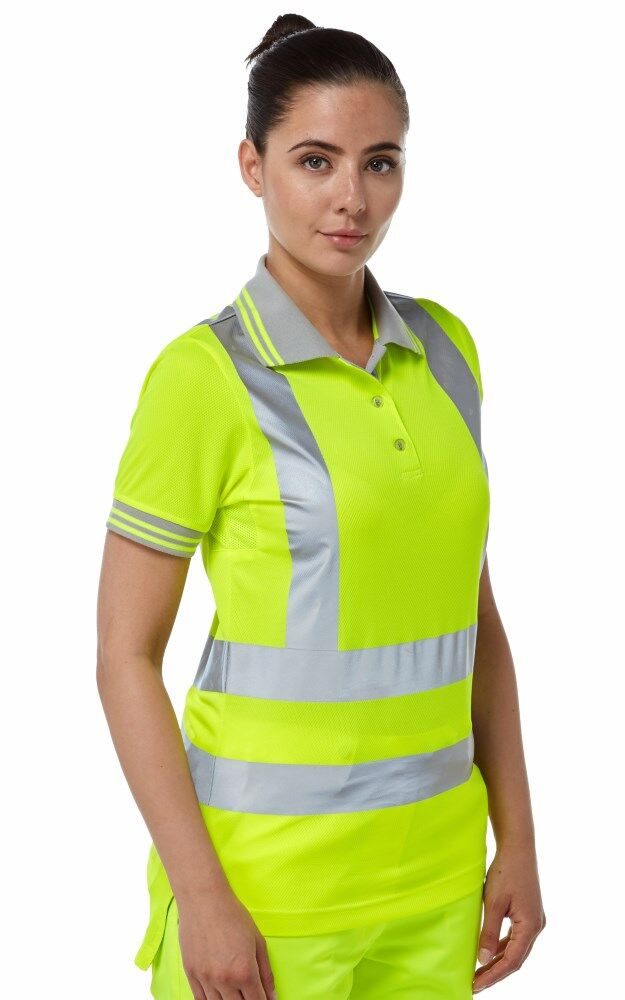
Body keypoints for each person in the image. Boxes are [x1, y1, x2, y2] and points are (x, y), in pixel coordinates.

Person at [96, 13, 546, 1000]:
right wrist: (200, 894)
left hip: (434, 890)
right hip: (265, 904)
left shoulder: (446, 350)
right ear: (252, 167)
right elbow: (124, 656)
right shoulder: (203, 378)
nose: (352, 198)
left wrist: (515, 839)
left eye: (380, 162)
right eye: (315, 161)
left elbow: (474, 620)